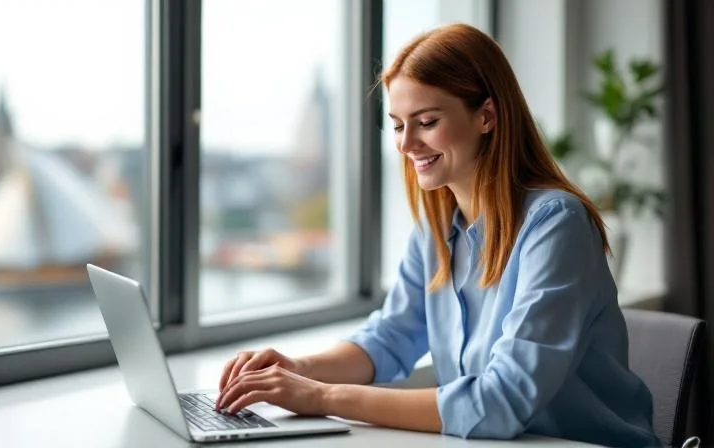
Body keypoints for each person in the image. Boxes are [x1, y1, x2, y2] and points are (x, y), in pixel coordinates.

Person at [214, 23, 660, 447]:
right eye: (397, 124)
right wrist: (298, 369)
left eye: (426, 122)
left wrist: (320, 397)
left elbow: (500, 402)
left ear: (486, 116)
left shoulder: (556, 225)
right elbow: (391, 338)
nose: (406, 145)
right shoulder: (437, 225)